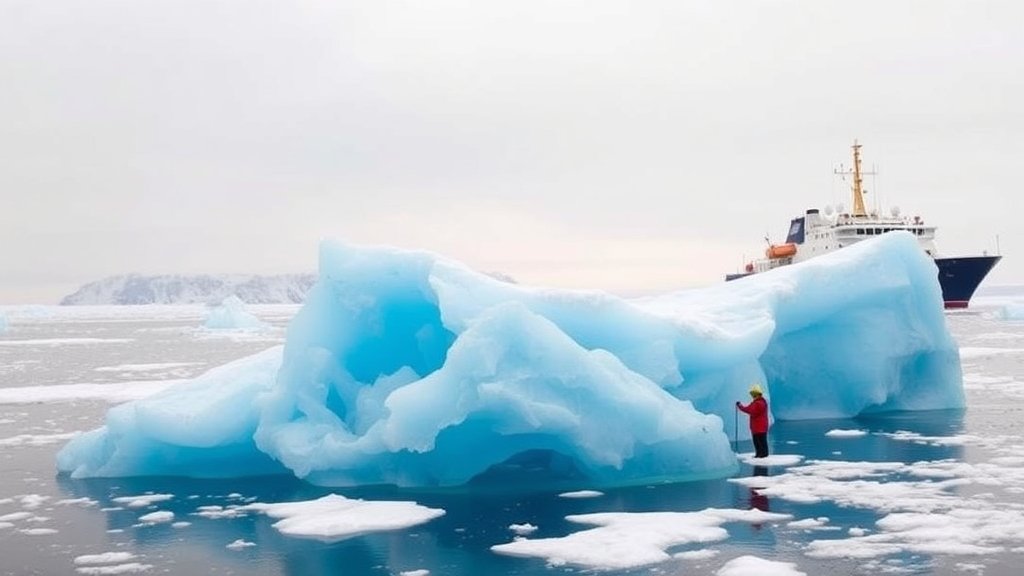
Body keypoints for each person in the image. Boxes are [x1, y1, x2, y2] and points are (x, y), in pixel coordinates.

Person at [736, 383, 770, 458]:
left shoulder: (758, 403)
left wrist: (740, 406)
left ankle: (762, 455)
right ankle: (760, 454)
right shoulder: (759, 403)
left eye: (754, 394)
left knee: (759, 442)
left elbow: (749, 410)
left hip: (759, 427)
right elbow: (749, 409)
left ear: (758, 394)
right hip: (758, 427)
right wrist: (740, 406)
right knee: (760, 441)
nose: (753, 396)